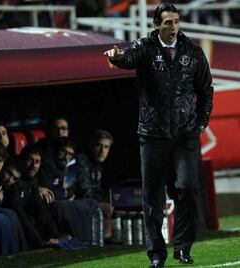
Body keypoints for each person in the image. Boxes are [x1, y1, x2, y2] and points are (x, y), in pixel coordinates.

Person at [104, 3, 213, 267]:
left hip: (185, 136)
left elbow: (206, 91)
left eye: (176, 22)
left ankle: (183, 248)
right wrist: (116, 56)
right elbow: (127, 59)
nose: (173, 27)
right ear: (156, 25)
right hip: (152, 136)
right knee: (152, 198)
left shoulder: (194, 53)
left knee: (187, 189)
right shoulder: (144, 47)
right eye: (167, 22)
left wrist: (200, 126)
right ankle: (156, 254)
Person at [76, 130, 114, 240]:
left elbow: (97, 190)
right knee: (108, 208)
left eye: (106, 147)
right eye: (99, 145)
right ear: (92, 145)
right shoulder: (82, 161)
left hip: (89, 200)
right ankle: (105, 240)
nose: (102, 151)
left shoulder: (98, 164)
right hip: (78, 202)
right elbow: (84, 192)